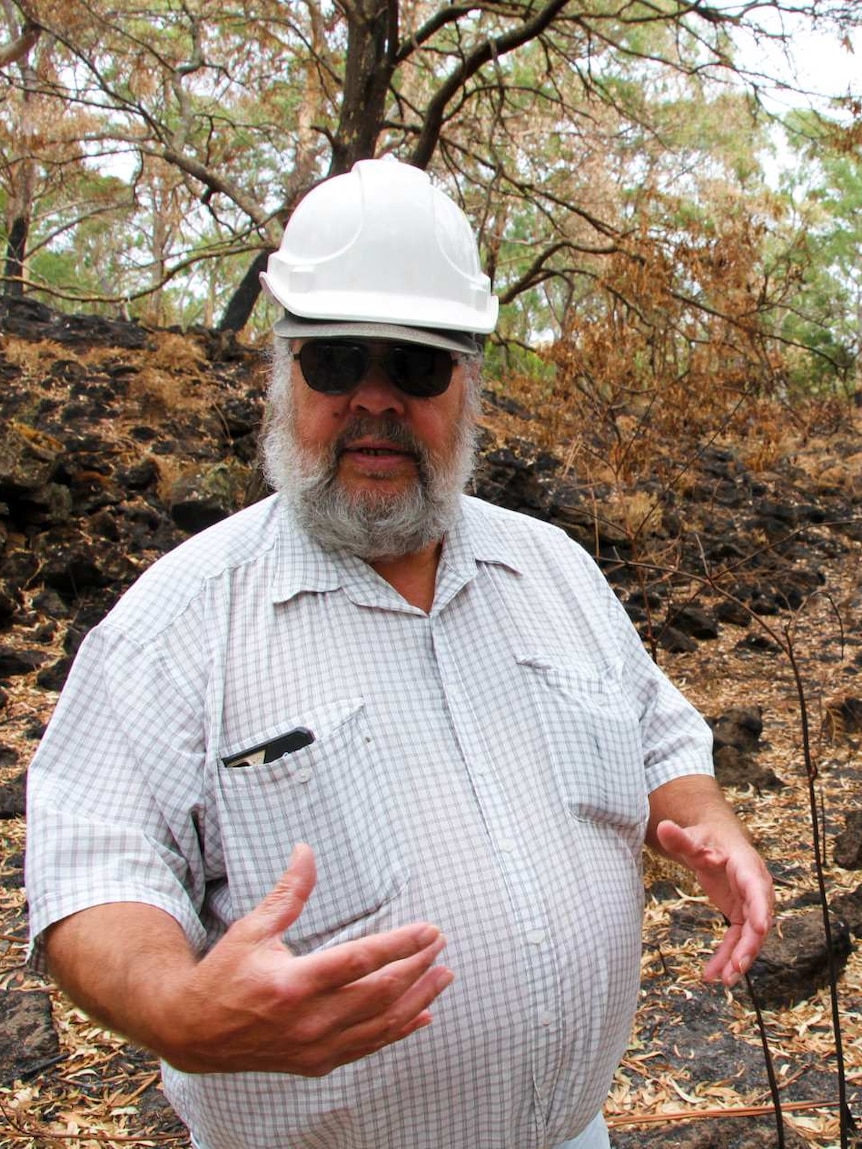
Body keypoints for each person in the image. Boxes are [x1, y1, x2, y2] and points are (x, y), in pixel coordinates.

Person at [25, 158, 773, 1149]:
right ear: (282, 374)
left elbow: (654, 733)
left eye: (415, 366)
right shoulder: (179, 622)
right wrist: (176, 1009)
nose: (374, 399)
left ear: (467, 385)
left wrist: (706, 821)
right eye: (335, 362)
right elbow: (95, 867)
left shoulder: (551, 570)